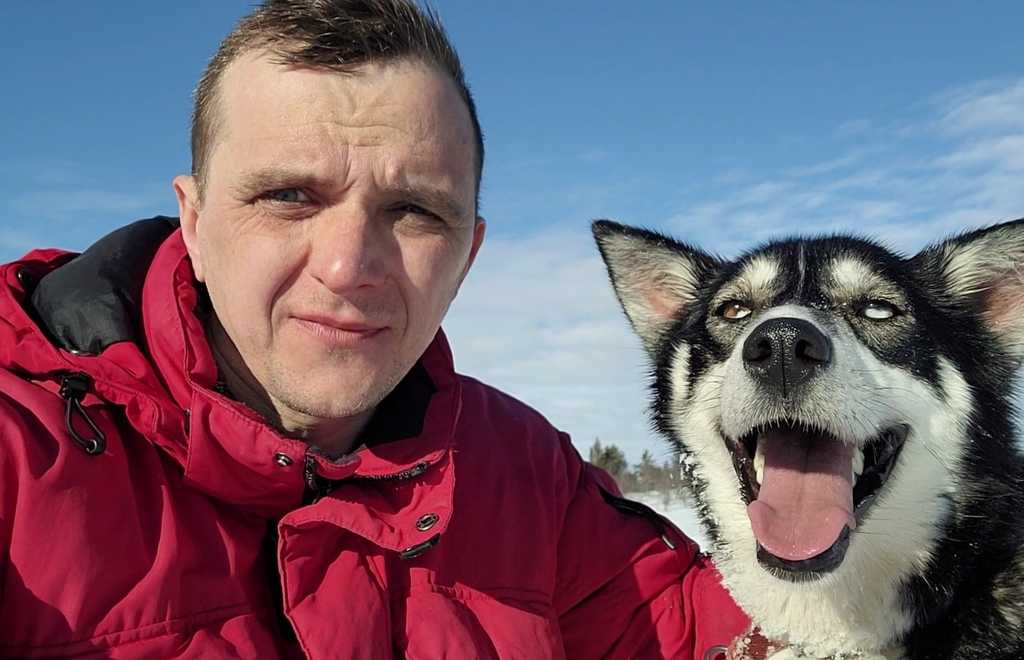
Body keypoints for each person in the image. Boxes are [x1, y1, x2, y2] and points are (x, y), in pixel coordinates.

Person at [0, 1, 749, 657]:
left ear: (466, 256)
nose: (347, 266)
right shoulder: (22, 450)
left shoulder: (524, 474)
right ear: (195, 224)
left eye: (414, 211)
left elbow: (709, 632)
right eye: (288, 195)